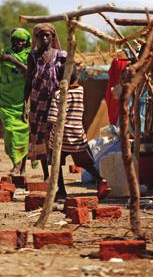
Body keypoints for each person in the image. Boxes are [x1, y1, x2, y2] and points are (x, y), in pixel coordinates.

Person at [47, 66, 111, 200]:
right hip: (77, 134)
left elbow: (53, 118)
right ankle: (100, 179)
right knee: (85, 163)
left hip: (61, 136)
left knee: (56, 163)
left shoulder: (58, 95)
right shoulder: (81, 90)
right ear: (76, 78)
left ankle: (61, 190)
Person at [0, 28, 31, 175]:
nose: (18, 43)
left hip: (21, 101)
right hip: (4, 101)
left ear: (27, 42)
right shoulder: (5, 54)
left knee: (22, 134)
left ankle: (21, 168)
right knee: (10, 133)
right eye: (15, 40)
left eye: (21, 40)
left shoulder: (30, 56)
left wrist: (13, 61)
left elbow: (30, 73)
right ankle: (16, 165)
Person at [23, 23, 66, 180]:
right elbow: (28, 81)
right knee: (40, 138)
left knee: (55, 138)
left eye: (48, 35)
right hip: (37, 103)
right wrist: (24, 104)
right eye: (41, 36)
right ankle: (47, 175)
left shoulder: (61, 55)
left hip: (55, 103)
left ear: (53, 37)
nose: (45, 38)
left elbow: (66, 79)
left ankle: (57, 176)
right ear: (36, 38)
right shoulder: (32, 56)